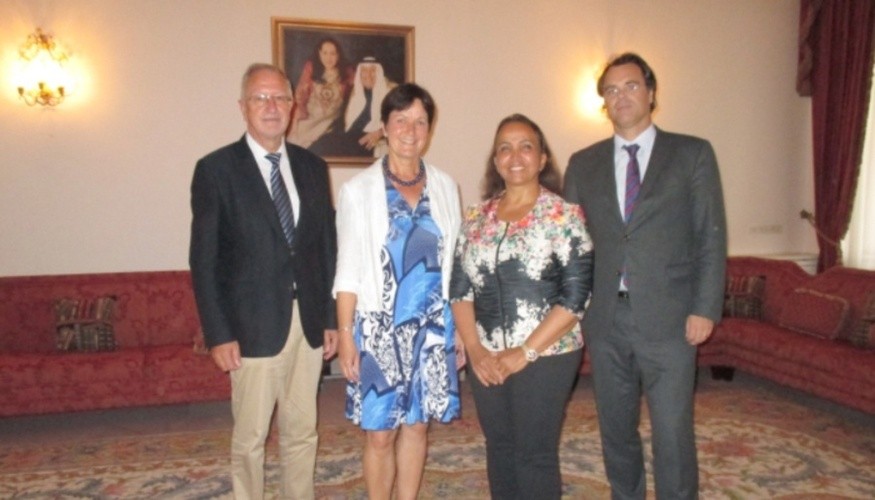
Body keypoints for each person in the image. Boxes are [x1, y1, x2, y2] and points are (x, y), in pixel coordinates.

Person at [563, 52, 727, 499]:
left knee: (672, 431)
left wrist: (705, 308)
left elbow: (710, 236)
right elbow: (572, 245)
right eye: (611, 90)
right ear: (604, 103)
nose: (622, 96)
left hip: (672, 320)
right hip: (605, 319)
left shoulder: (691, 154)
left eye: (631, 86)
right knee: (616, 429)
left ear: (651, 93)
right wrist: (571, 311)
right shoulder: (583, 163)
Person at [189, 63, 338, 500]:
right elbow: (204, 260)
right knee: (250, 439)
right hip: (250, 328)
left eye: (280, 98)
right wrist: (218, 333)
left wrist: (331, 318)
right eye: (261, 98)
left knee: (303, 431)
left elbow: (326, 249)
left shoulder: (313, 167)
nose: (272, 107)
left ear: (292, 106)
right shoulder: (216, 170)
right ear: (243, 107)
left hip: (307, 325)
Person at [450, 114, 594, 499]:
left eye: (525, 146)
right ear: (496, 161)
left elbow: (576, 297)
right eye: (505, 148)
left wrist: (525, 352)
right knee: (499, 447)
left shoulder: (564, 216)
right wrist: (476, 350)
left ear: (542, 158)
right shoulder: (476, 218)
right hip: (485, 356)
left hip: (547, 354)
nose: (515, 156)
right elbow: (459, 291)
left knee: (534, 453)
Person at [333, 83, 462, 500]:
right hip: (379, 330)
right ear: (385, 127)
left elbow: (457, 266)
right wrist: (347, 335)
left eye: (420, 122)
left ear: (429, 130)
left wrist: (461, 329)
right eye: (401, 120)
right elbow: (348, 269)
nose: (410, 130)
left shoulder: (445, 186)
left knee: (418, 426)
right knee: (380, 434)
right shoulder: (358, 191)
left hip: (433, 326)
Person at [309, 56, 395, 158]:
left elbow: (399, 121)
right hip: (350, 136)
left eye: (373, 70)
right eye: (364, 71)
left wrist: (380, 133)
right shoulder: (355, 92)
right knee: (322, 143)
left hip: (367, 139)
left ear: (379, 72)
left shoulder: (390, 91)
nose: (368, 75)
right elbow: (344, 121)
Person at [288, 37, 353, 148]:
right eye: (325, 53)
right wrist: (294, 126)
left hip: (330, 124)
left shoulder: (347, 73)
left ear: (338, 55)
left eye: (333, 53)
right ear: (319, 53)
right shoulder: (311, 69)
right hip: (308, 120)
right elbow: (299, 98)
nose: (328, 58)